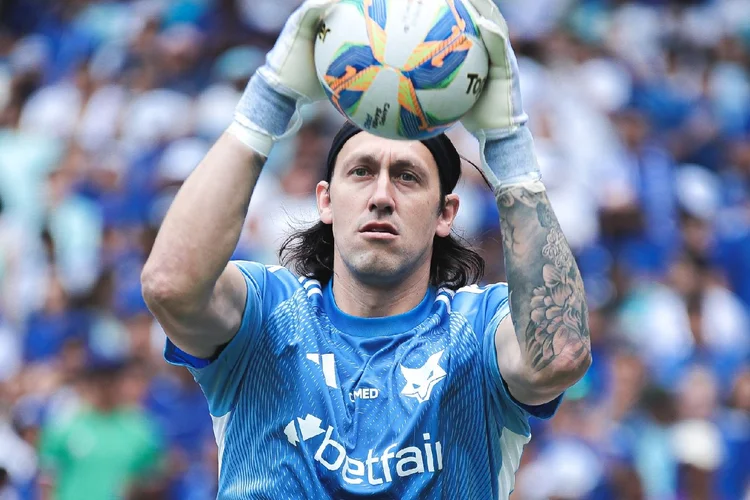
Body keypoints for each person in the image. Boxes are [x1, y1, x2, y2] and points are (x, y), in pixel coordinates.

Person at [141, 0, 592, 497]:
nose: (381, 195)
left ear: (445, 213)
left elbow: (560, 355)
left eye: (407, 176)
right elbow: (170, 286)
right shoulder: (266, 313)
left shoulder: (480, 328)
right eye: (361, 172)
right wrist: (269, 97)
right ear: (326, 201)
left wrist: (508, 145)